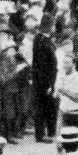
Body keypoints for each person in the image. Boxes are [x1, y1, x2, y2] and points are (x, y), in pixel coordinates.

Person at [32, 14, 58, 143]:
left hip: (48, 78)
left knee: (50, 106)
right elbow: (41, 65)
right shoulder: (41, 41)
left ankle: (50, 130)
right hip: (43, 80)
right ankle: (40, 135)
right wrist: (48, 84)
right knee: (42, 107)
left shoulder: (44, 39)